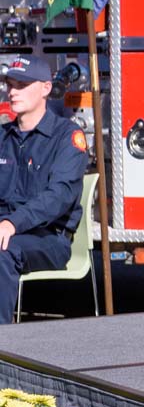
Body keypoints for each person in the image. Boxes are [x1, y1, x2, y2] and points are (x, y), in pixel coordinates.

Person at [0, 56, 88, 323]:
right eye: (10, 84)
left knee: (3, 252)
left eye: (23, 84)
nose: (13, 91)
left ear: (46, 88)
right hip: (6, 229)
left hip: (49, 237)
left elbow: (58, 197)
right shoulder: (3, 137)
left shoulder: (67, 137)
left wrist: (12, 223)